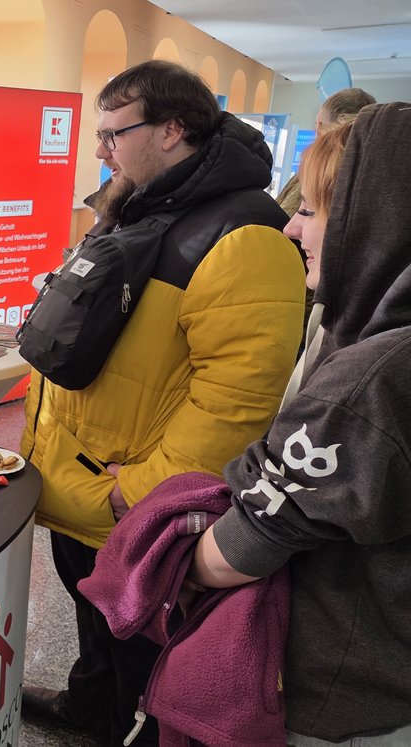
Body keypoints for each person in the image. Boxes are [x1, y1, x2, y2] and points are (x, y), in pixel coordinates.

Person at [17, 60, 306, 744]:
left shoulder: (246, 236)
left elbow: (234, 403)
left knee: (143, 652)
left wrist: (141, 496)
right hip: (84, 482)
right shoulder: (138, 203)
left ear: (173, 129)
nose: (99, 149)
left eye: (114, 133)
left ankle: (122, 722)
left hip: (130, 501)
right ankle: (89, 708)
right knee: (96, 628)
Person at [189, 103, 411, 746]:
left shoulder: (370, 381)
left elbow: (238, 553)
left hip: (342, 698)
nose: (291, 226)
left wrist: (153, 559)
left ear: (375, 222)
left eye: (312, 210)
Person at [276, 87, 375, 216]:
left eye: (317, 124)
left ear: (320, 124)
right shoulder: (373, 172)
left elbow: (283, 219)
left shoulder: (319, 170)